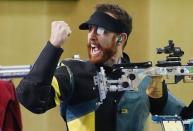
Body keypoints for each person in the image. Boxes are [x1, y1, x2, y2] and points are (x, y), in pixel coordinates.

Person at [16, 3, 193, 131]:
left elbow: (184, 119)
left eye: (101, 30)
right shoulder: (74, 73)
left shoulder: (146, 79)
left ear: (120, 38)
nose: (92, 36)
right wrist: (53, 46)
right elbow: (30, 99)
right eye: (90, 29)